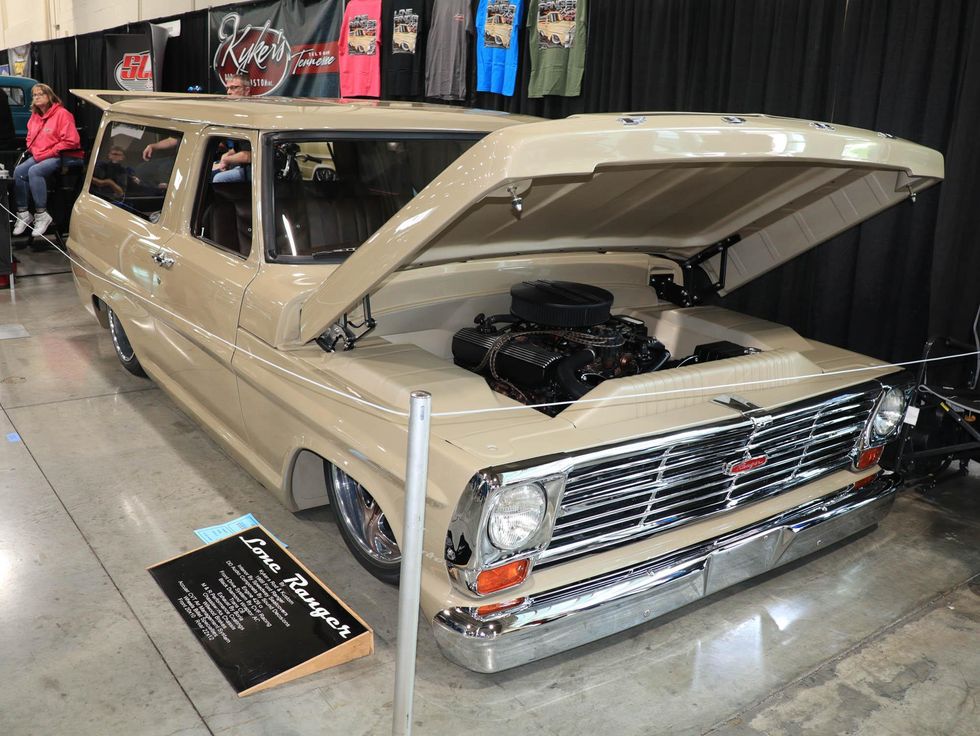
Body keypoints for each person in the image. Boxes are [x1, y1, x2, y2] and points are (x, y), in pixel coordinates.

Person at [12, 84, 84, 237]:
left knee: (34, 170)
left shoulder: (62, 114)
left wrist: (46, 153)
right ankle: (24, 213)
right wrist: (37, 152)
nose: (36, 97)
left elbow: (71, 142)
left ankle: (41, 214)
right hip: (42, 155)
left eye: (40, 94)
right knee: (19, 172)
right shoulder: (35, 117)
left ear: (50, 96)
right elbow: (30, 139)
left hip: (65, 156)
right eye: (34, 95)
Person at [212, 72, 252, 183]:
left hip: (255, 170)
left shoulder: (250, 114)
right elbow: (240, 148)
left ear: (247, 90)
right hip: (241, 165)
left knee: (217, 178)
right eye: (228, 88)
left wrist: (227, 159)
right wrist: (227, 154)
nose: (229, 92)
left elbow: (250, 155)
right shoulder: (237, 114)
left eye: (234, 88)